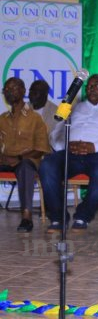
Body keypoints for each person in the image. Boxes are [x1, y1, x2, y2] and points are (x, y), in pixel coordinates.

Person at [39, 74, 98, 233]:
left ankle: (83, 216)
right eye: (89, 86)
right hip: (71, 153)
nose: (91, 89)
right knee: (47, 164)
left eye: (96, 86)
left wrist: (94, 146)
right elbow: (55, 135)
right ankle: (58, 217)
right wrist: (67, 144)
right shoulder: (73, 109)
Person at [0, 78, 51, 232]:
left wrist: (19, 158)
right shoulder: (2, 119)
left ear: (23, 91)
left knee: (25, 168)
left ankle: (26, 217)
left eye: (13, 88)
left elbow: (41, 148)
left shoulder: (35, 118)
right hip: (5, 160)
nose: (9, 91)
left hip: (26, 160)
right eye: (6, 89)